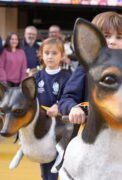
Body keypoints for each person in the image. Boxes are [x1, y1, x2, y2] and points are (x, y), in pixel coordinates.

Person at [59, 11, 122, 124]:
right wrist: (73, 108)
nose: (112, 42)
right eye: (106, 36)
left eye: (119, 37)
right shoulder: (85, 68)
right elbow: (66, 99)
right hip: (90, 132)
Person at [35, 37, 71, 180]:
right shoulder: (37, 76)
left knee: (56, 161)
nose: (50, 56)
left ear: (62, 56)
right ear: (41, 55)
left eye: (54, 53)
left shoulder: (67, 77)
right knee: (44, 160)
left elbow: (69, 97)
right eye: (47, 53)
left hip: (60, 126)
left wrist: (58, 106)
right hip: (41, 125)